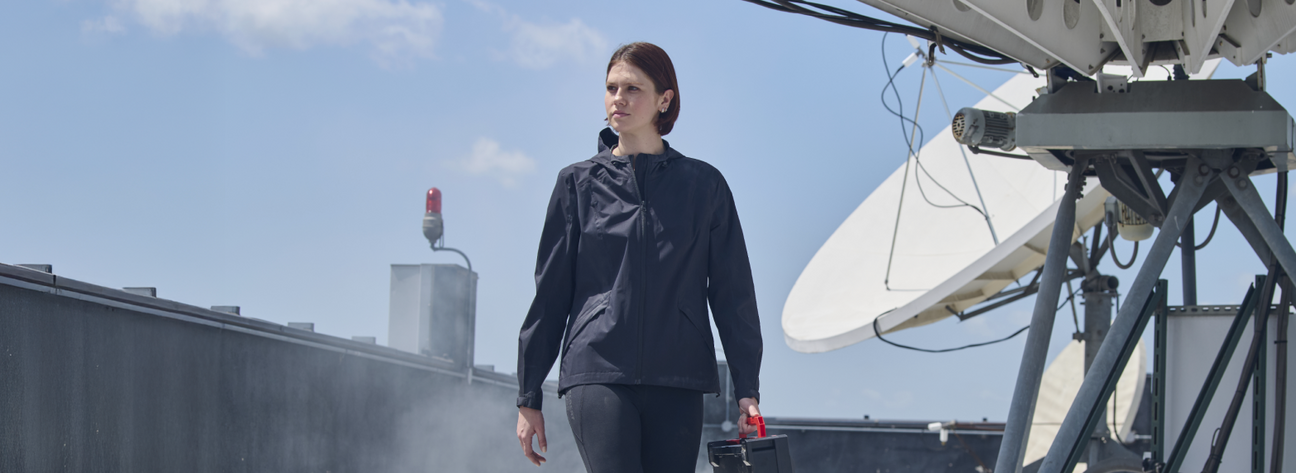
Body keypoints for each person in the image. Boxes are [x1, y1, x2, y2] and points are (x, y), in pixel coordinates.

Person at [514, 41, 764, 472]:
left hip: (679, 375)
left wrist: (747, 388)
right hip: (597, 370)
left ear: (664, 99)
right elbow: (551, 294)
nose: (619, 99)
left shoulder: (704, 186)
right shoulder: (577, 184)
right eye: (612, 88)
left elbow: (732, 292)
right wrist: (528, 394)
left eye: (633, 89)